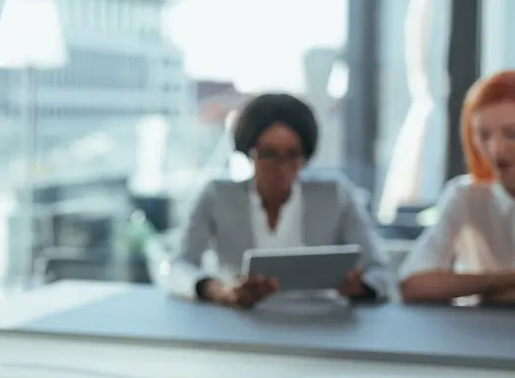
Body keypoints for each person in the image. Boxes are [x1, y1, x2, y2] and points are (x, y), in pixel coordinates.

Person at [166, 93, 392, 307]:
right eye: (269, 154)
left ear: (305, 154)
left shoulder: (335, 194)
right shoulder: (218, 195)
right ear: (249, 151)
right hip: (238, 320)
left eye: (293, 154)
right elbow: (179, 266)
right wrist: (220, 291)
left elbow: (379, 270)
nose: (282, 167)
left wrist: (361, 287)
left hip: (320, 320)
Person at [399, 69, 515, 307]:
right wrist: (502, 281)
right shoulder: (465, 196)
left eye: (511, 134)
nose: (496, 150)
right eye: (483, 136)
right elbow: (413, 283)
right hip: (476, 336)